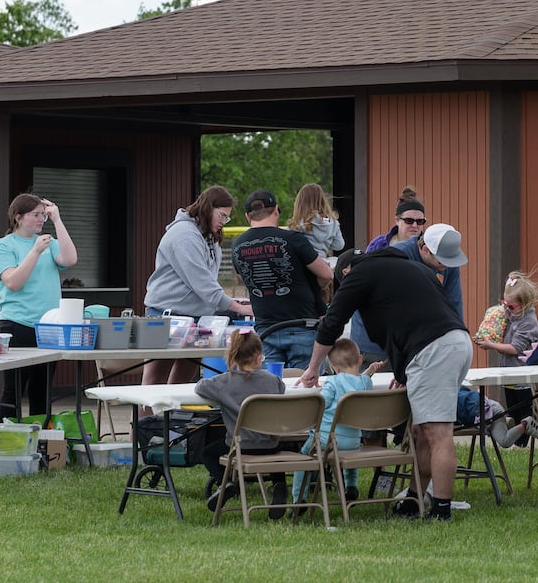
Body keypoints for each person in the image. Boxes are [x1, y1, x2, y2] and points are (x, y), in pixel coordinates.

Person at [298, 223, 472, 521]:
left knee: (438, 433)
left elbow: (332, 323)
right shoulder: (415, 270)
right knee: (420, 431)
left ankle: (441, 511)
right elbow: (409, 322)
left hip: (434, 350)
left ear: (345, 274)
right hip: (455, 343)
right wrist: (404, 373)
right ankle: (414, 500)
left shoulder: (359, 273)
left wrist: (313, 368)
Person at [144, 185, 252, 384]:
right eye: (222, 216)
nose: (224, 222)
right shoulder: (184, 236)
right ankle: (147, 417)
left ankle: (174, 415)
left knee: (184, 378)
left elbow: (208, 281)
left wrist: (233, 301)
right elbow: (201, 283)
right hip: (166, 314)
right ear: (207, 208)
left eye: (227, 218)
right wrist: (238, 307)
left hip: (196, 317)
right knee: (154, 380)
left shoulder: (208, 236)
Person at [0, 193, 78, 420]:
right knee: (13, 390)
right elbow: (13, 282)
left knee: (42, 391)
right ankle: (5, 441)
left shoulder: (49, 242)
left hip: (49, 327)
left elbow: (70, 260)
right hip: (18, 324)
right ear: (18, 217)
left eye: (43, 215)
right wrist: (35, 252)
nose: (41, 219)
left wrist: (57, 220)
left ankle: (41, 444)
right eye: (35, 215)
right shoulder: (4, 246)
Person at [229, 189, 333, 369]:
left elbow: (244, 279)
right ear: (276, 210)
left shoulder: (237, 245)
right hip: (302, 325)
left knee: (271, 388)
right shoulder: (293, 239)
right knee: (305, 388)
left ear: (247, 217)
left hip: (265, 329)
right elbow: (327, 274)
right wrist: (316, 285)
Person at [194, 327, 289, 516]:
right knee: (277, 449)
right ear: (259, 356)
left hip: (240, 445)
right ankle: (279, 485)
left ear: (232, 355)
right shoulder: (272, 380)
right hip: (270, 443)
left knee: (208, 453)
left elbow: (200, 387)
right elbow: (282, 388)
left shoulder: (223, 383)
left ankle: (226, 483)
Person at [349, 189, 430, 364]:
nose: (415, 225)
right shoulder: (379, 245)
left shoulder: (429, 249)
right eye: (409, 220)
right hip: (372, 338)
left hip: (412, 339)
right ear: (397, 220)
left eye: (420, 221)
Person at [312, 337, 382, 502]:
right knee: (349, 447)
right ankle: (351, 485)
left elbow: (321, 405)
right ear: (360, 359)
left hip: (330, 441)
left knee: (305, 452)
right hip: (354, 441)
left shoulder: (332, 383)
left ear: (334, 367)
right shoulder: (365, 383)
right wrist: (369, 371)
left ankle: (298, 497)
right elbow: (360, 380)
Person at [474, 269, 538, 424]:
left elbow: (515, 348)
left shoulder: (528, 322)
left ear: (525, 305)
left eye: (510, 307)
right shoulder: (512, 314)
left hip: (523, 376)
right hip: (509, 373)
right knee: (511, 409)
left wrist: (491, 345)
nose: (506, 309)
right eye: (504, 304)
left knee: (523, 412)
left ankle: (523, 441)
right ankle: (516, 439)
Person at [288, 182, 344, 302]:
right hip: (324, 265)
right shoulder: (333, 223)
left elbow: (290, 242)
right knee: (322, 297)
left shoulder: (299, 224)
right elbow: (339, 245)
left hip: (306, 266)